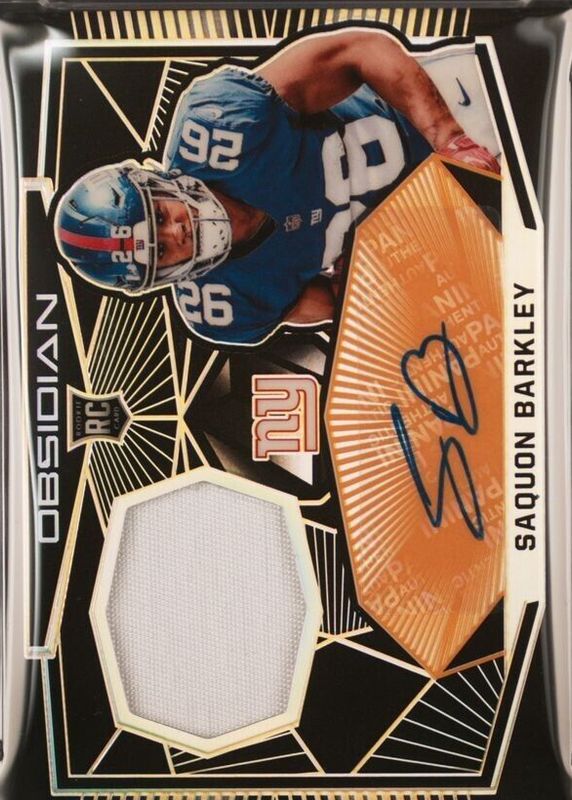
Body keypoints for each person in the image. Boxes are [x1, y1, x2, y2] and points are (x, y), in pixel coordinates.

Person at [55, 28, 499, 346]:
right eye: (162, 250)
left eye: (159, 216)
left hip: (449, 115)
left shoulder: (216, 126)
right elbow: (334, 308)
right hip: (443, 230)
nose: (177, 232)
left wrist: (449, 137)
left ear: (156, 184)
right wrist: (359, 289)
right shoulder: (222, 307)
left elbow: (361, 49)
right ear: (160, 277)